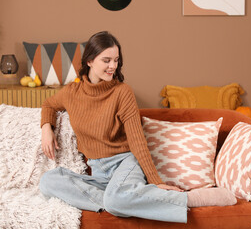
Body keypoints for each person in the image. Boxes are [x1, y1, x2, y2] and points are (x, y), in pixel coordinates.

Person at [39, 31, 236, 223]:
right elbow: (49, 104)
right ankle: (123, 200)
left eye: (116, 60)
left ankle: (189, 199)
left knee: (116, 198)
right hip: (99, 172)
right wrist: (46, 128)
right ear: (89, 61)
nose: (113, 66)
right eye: (106, 60)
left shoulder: (122, 92)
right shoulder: (72, 92)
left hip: (125, 163)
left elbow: (136, 139)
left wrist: (156, 181)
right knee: (49, 181)